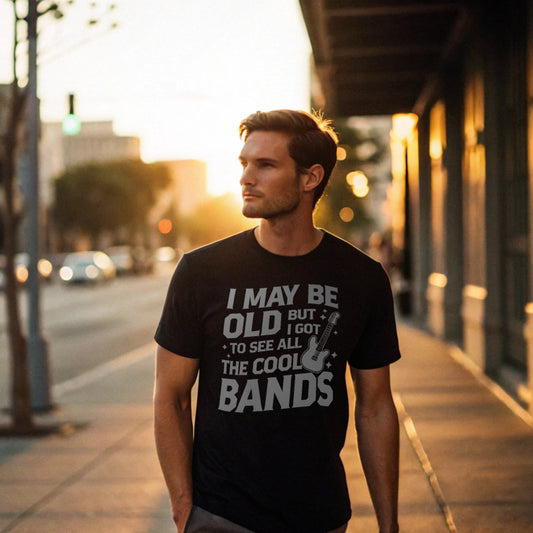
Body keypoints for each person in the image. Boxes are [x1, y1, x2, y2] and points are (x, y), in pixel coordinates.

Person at [154, 109, 401, 533]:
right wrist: (184, 509)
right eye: (244, 163)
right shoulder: (201, 272)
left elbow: (376, 405)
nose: (246, 178)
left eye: (265, 165)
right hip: (222, 515)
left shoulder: (360, 277)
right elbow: (171, 398)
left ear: (310, 178)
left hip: (319, 515)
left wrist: (389, 525)